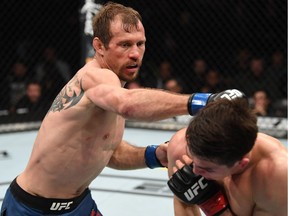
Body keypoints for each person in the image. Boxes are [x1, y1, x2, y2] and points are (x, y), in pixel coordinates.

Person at [0, 2, 244, 215]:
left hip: (78, 205)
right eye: (124, 45)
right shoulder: (95, 78)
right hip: (31, 209)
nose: (135, 54)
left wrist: (157, 155)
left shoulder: (114, 90)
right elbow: (127, 104)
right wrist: (203, 101)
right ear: (99, 46)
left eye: (140, 43)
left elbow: (110, 152)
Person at [167, 98, 287, 216]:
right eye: (195, 161)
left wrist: (213, 205)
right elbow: (183, 202)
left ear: (241, 163)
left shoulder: (276, 176)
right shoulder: (181, 147)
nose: (195, 171)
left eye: (208, 169)